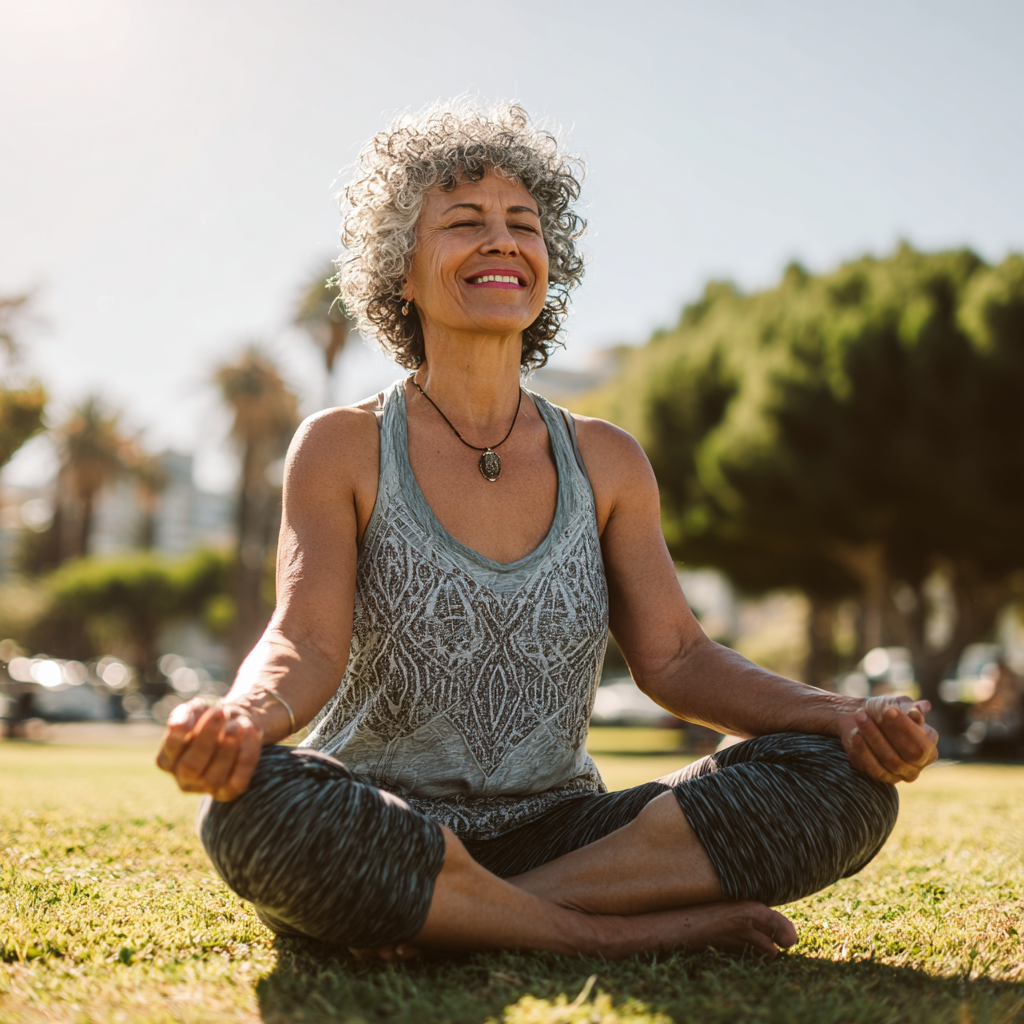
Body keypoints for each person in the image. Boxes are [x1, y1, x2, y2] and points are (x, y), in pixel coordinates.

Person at [156, 102, 938, 962]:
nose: (501, 242)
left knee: (841, 782)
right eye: (463, 223)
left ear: (546, 263)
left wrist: (845, 717)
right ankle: (600, 938)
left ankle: (455, 921)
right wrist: (239, 718)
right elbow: (303, 639)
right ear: (400, 273)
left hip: (569, 833)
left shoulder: (607, 458)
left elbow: (676, 658)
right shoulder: (341, 445)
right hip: (383, 822)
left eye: (522, 226)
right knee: (254, 806)